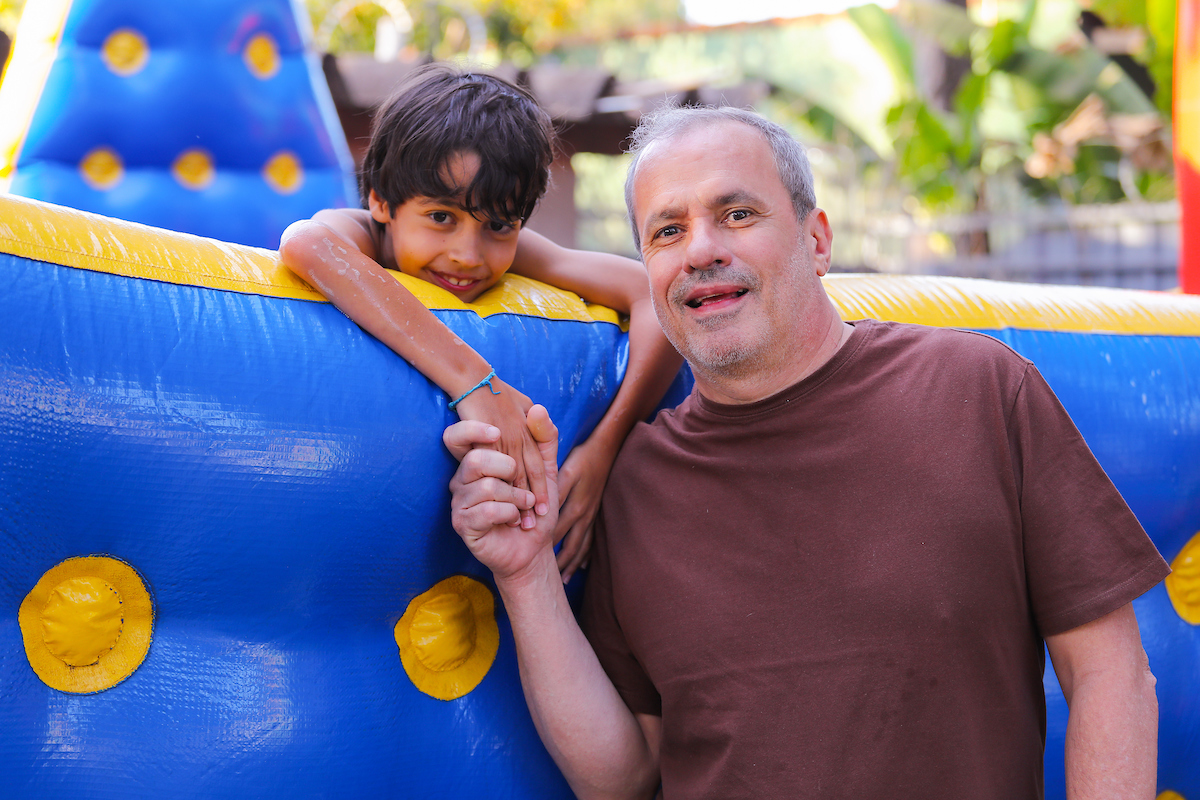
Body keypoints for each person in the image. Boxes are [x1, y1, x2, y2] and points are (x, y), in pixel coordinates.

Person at [444, 105, 1170, 799]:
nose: (700, 249)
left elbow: (1111, 673)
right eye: (666, 231)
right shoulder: (634, 482)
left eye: (737, 214)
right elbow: (625, 778)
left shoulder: (979, 390)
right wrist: (527, 572)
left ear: (816, 240)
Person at [279, 65, 680, 579]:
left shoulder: (509, 253)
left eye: (498, 225)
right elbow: (306, 243)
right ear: (380, 199)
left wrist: (604, 448)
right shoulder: (359, 233)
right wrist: (476, 381)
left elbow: (652, 294)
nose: (468, 254)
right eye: (441, 217)